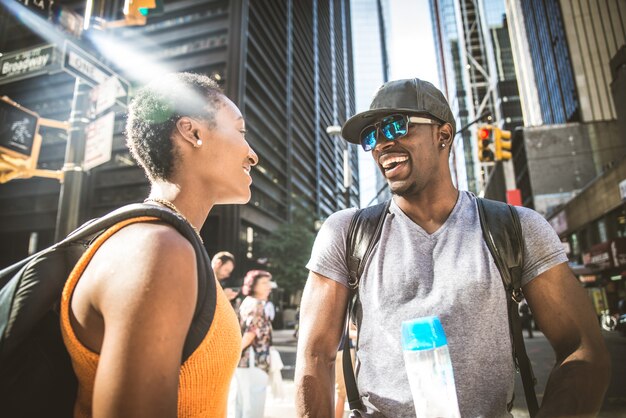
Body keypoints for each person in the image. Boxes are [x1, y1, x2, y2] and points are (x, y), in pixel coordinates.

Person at [295, 78, 611, 417]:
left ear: (443, 135)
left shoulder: (516, 227)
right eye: (372, 135)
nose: (381, 144)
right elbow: (315, 356)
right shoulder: (345, 232)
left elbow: (583, 348)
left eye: (395, 126)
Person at [60, 72, 258, 418]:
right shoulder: (158, 249)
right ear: (192, 132)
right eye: (240, 132)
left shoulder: (170, 244)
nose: (252, 154)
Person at [230, 270, 274, 418]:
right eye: (264, 283)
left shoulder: (247, 302)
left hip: (245, 363)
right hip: (254, 362)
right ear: (253, 285)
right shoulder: (257, 305)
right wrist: (235, 352)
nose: (268, 286)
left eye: (268, 283)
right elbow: (250, 334)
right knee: (254, 405)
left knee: (242, 403)